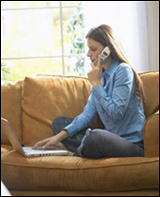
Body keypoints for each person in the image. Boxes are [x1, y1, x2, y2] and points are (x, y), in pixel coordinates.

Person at [33, 24, 146, 159]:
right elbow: (87, 115)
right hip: (108, 139)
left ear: (108, 49)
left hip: (131, 144)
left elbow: (116, 113)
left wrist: (97, 83)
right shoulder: (99, 76)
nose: (88, 54)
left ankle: (74, 152)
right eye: (88, 49)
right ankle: (82, 147)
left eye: (93, 49)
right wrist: (56, 138)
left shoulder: (123, 71)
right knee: (60, 123)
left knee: (96, 136)